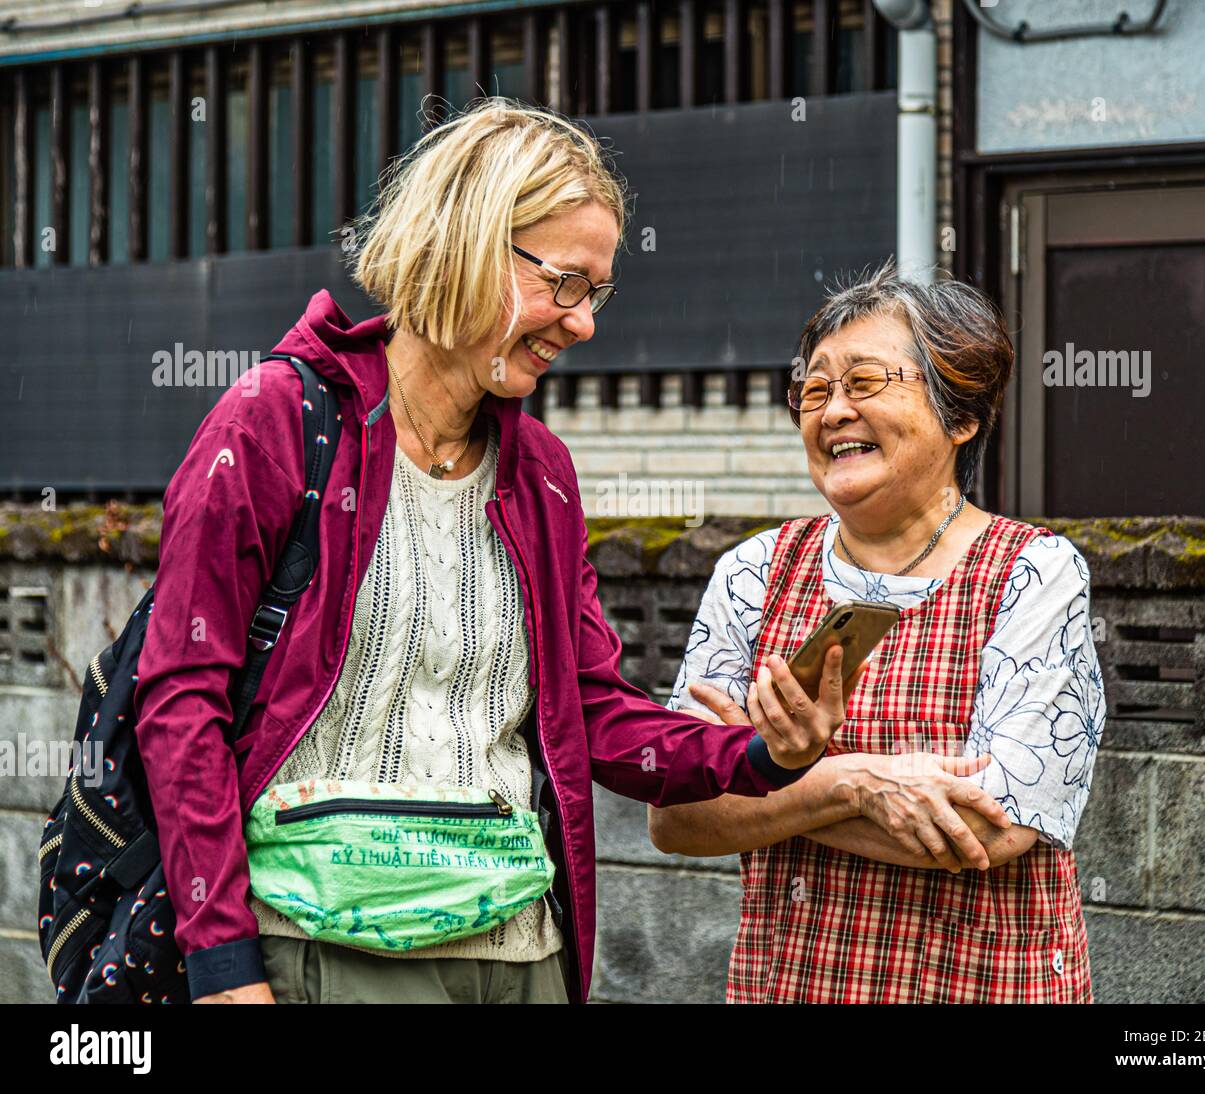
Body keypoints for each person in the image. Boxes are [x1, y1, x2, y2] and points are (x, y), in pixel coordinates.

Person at [133, 98, 861, 1005]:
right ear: (470, 242)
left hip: (523, 955)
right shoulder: (277, 422)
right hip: (329, 948)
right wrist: (223, 969)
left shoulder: (542, 472)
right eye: (563, 283)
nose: (583, 322)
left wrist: (762, 753)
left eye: (594, 292)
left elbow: (593, 710)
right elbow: (178, 700)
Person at [649, 263, 1105, 1003]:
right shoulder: (754, 572)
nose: (831, 411)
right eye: (816, 388)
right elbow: (677, 813)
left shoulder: (1034, 572)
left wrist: (770, 783)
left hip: (980, 985)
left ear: (960, 417)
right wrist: (863, 785)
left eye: (864, 383)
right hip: (792, 984)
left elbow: (992, 829)